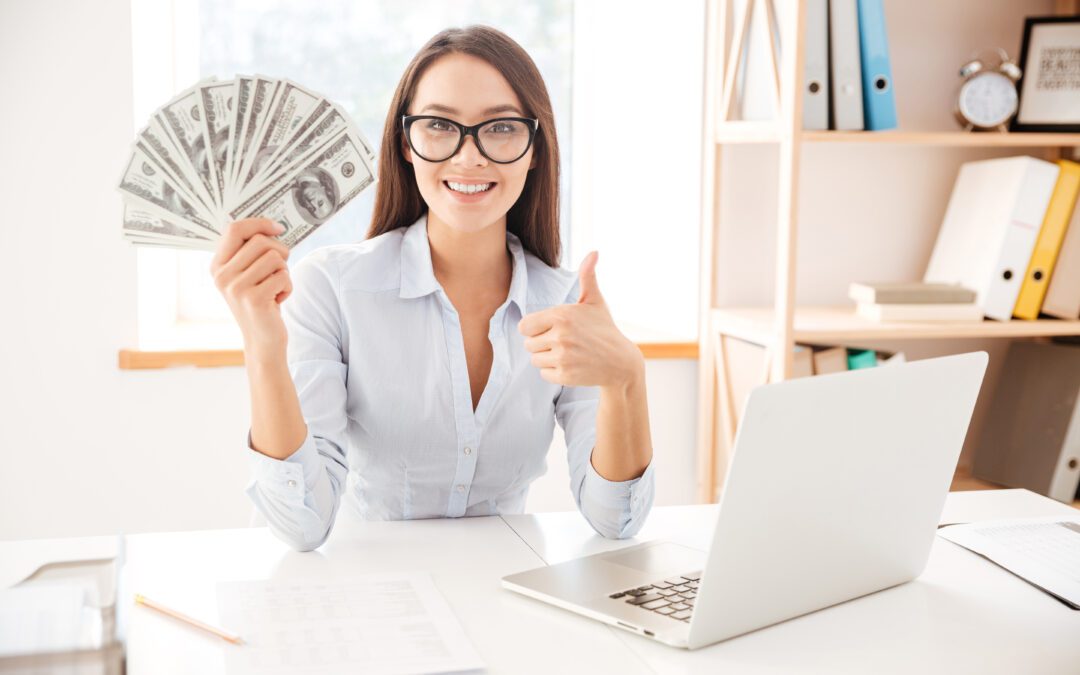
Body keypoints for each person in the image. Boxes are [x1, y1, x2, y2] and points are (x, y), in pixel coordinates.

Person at [209, 25, 655, 552]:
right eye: (440, 125)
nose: (470, 157)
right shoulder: (332, 287)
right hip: (369, 598)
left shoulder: (565, 302)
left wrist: (627, 378)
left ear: (535, 149)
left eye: (502, 128)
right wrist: (264, 347)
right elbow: (302, 525)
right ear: (406, 143)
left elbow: (615, 521)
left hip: (501, 597)